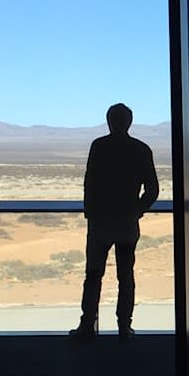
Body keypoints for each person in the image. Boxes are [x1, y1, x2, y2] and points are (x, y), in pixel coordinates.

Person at [71, 103, 159, 339]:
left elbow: (89, 183)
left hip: (100, 222)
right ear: (129, 122)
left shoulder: (99, 147)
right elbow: (152, 190)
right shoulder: (141, 149)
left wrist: (90, 212)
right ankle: (124, 326)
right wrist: (136, 210)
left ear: (109, 121)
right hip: (126, 223)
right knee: (126, 275)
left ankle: (88, 324)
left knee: (93, 275)